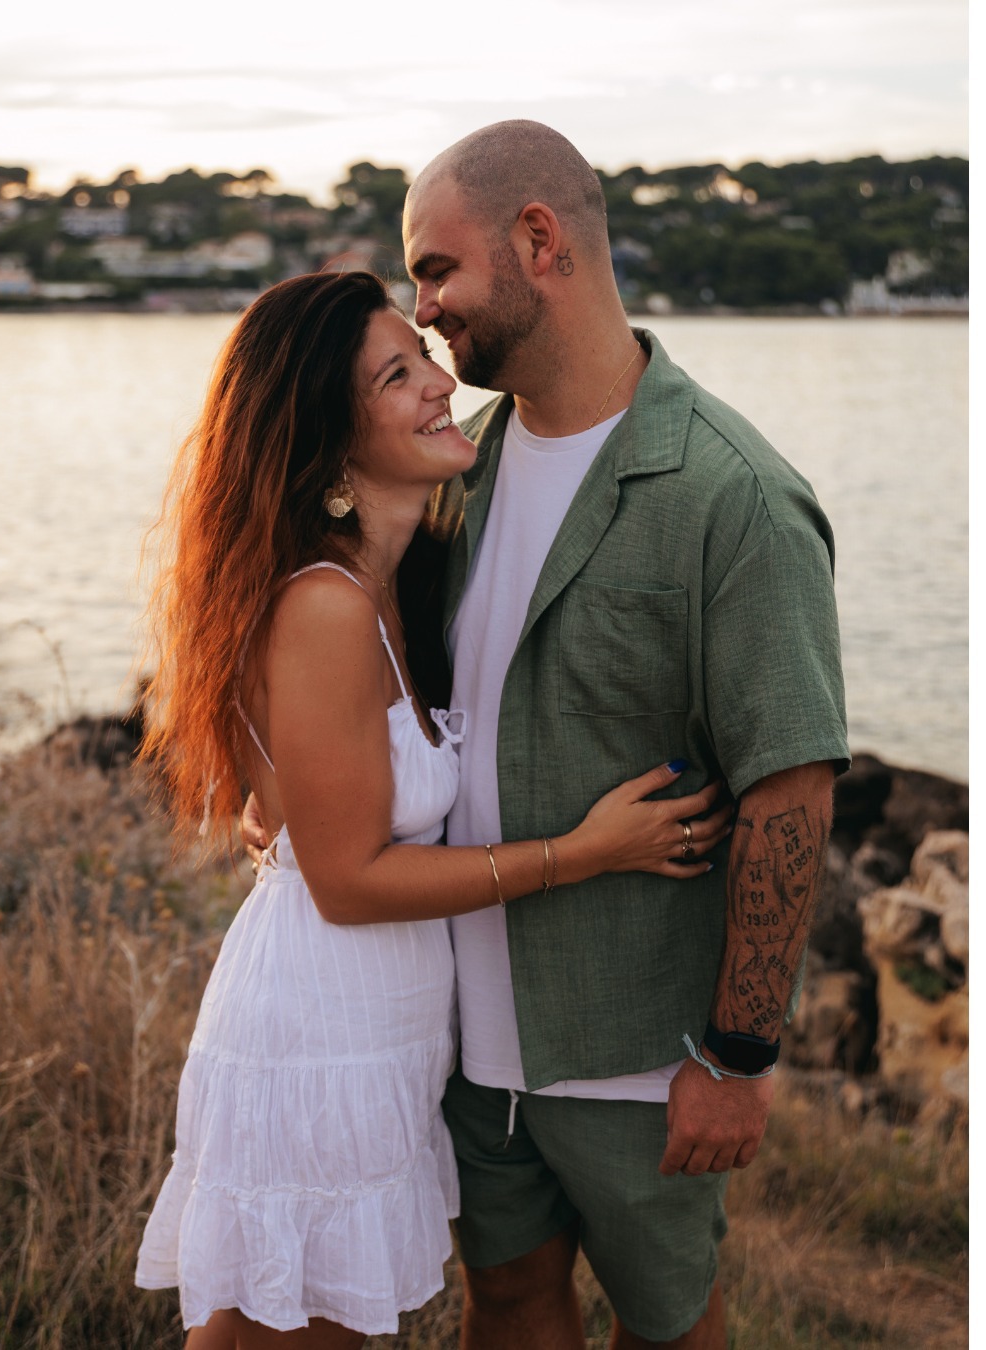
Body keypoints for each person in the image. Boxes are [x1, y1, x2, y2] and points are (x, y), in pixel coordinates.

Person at [246, 122, 849, 1348]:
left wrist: (737, 1053)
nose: (428, 309)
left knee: (670, 1325)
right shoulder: (459, 473)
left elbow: (793, 787)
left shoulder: (729, 493)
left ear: (539, 240)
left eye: (437, 270)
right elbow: (368, 667)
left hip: (635, 1041)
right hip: (464, 1036)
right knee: (509, 1301)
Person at [134, 269, 731, 1349]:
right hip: (321, 1032)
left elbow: (305, 807)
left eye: (423, 358)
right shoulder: (322, 604)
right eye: (397, 375)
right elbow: (351, 878)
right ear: (328, 434)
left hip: (381, 1031)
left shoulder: (387, 590)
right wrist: (584, 852)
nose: (440, 383)